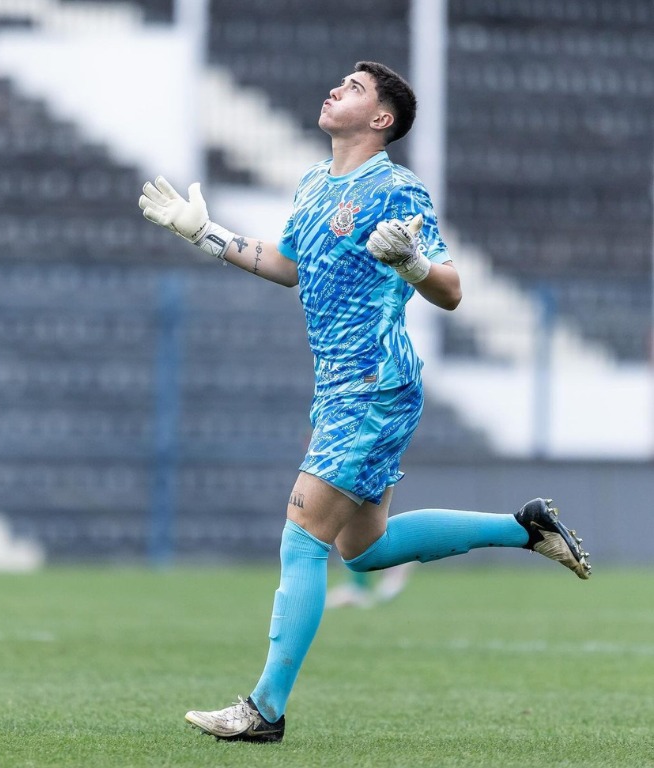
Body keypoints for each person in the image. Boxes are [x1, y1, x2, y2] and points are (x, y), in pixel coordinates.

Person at [138, 61, 590, 742]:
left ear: (381, 119)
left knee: (302, 538)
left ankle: (264, 709)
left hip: (373, 384)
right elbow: (288, 265)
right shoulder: (316, 182)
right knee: (366, 550)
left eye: (353, 87)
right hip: (339, 388)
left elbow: (452, 289)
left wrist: (412, 262)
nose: (334, 89)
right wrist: (205, 234)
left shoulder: (396, 188)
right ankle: (524, 526)